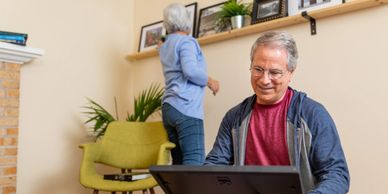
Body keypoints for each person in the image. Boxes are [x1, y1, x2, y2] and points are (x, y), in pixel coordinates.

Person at [205, 31, 350, 193]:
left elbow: (336, 175)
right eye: (258, 69)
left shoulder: (313, 114)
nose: (264, 80)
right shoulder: (234, 117)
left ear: (291, 73)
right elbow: (214, 165)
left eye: (274, 72)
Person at [159, 3, 220, 165]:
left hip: (168, 108)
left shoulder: (165, 46)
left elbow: (179, 67)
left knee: (178, 163)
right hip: (186, 107)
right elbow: (191, 70)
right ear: (186, 21)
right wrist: (210, 81)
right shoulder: (186, 42)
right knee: (195, 162)